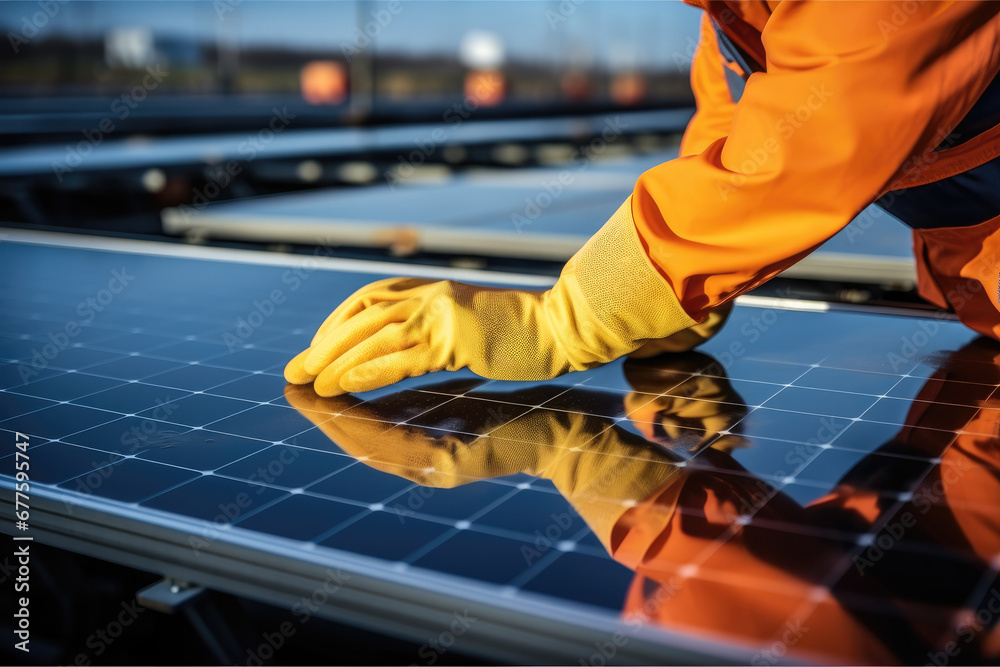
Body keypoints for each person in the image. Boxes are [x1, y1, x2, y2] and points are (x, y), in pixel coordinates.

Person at [285, 1, 1000, 398]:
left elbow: (811, 140)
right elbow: (731, 133)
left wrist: (565, 321)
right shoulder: (732, 12)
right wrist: (681, 294)